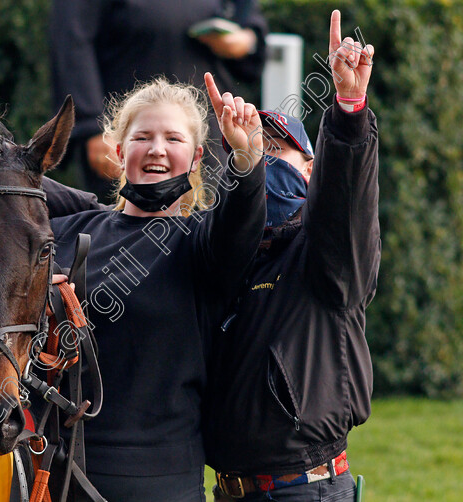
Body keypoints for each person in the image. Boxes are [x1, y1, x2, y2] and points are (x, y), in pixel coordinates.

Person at [43, 73, 266, 501]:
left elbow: (239, 226)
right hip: (60, 473)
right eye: (143, 136)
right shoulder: (63, 233)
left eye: (174, 139)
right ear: (118, 150)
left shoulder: (204, 243)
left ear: (198, 156)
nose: (157, 149)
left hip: (166, 481)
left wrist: (245, 160)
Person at [203, 10, 378, 501]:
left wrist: (348, 109)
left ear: (312, 170)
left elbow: (344, 199)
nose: (263, 158)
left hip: (305, 490)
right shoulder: (223, 256)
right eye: (253, 150)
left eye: (277, 149)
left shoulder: (327, 253)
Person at [48, 0, 268, 203]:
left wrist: (246, 41)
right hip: (127, 135)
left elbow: (250, 29)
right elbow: (71, 40)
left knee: (208, 227)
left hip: (208, 138)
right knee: (128, 230)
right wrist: (90, 126)